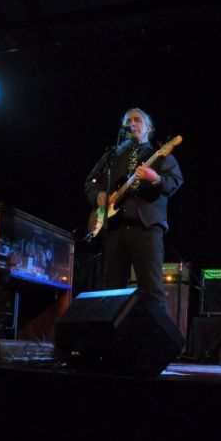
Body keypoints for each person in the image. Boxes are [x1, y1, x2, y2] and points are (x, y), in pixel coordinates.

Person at [84, 108, 183, 310]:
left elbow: (175, 181)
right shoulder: (112, 156)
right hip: (114, 229)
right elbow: (91, 183)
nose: (132, 123)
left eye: (137, 120)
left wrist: (155, 179)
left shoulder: (159, 154)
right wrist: (99, 196)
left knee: (152, 290)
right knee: (111, 292)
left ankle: (156, 331)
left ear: (149, 128)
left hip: (146, 228)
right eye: (128, 121)